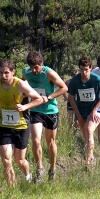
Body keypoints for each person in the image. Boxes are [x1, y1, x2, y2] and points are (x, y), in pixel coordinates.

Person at [0, 59, 43, 186]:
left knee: (19, 160)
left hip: (21, 126)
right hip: (4, 126)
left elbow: (38, 99)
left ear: (13, 72)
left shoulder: (20, 85)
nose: (3, 76)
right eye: (1, 73)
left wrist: (25, 107)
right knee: (6, 159)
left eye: (6, 73)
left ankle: (28, 176)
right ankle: (11, 190)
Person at [23, 51, 68, 182]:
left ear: (41, 63)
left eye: (36, 67)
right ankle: (39, 169)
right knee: (36, 140)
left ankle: (52, 168)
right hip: (36, 109)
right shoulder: (26, 71)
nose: (34, 70)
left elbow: (64, 87)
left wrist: (49, 97)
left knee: (50, 143)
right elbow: (24, 82)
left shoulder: (49, 73)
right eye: (32, 67)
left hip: (50, 110)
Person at [67, 57, 100, 164]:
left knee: (89, 130)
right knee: (86, 136)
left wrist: (95, 110)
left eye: (86, 69)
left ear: (90, 68)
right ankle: (91, 156)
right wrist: (78, 116)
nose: (84, 72)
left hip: (94, 111)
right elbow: (71, 98)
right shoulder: (75, 81)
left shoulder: (96, 79)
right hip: (81, 111)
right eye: (81, 69)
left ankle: (88, 162)